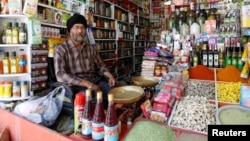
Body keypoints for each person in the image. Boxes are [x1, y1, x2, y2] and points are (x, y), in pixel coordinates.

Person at [54, 13, 116, 108]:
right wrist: (88, 84)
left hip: (94, 81)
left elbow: (100, 65)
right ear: (69, 30)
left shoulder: (90, 48)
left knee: (114, 93)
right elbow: (60, 75)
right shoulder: (61, 49)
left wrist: (109, 75)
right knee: (90, 102)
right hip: (76, 86)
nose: (80, 31)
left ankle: (112, 116)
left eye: (83, 28)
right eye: (76, 27)